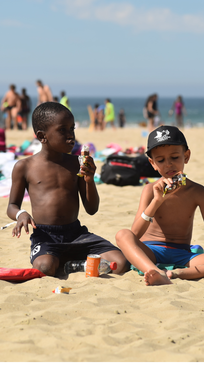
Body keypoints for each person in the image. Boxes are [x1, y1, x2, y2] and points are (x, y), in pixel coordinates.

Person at [115, 125, 204, 286]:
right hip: (151, 252)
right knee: (122, 235)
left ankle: (178, 274)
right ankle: (155, 271)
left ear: (186, 156)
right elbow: (134, 234)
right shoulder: (150, 190)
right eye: (161, 160)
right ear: (152, 163)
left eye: (174, 157)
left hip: (183, 255)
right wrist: (157, 201)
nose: (168, 164)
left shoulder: (198, 192)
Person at [7, 102, 128, 276]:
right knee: (45, 268)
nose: (70, 136)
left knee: (120, 262)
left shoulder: (76, 164)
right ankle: (66, 261)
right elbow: (11, 205)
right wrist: (21, 214)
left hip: (76, 234)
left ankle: (74, 264)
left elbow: (91, 209)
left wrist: (89, 180)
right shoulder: (24, 167)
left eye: (72, 129)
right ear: (42, 136)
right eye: (62, 130)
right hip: (46, 236)